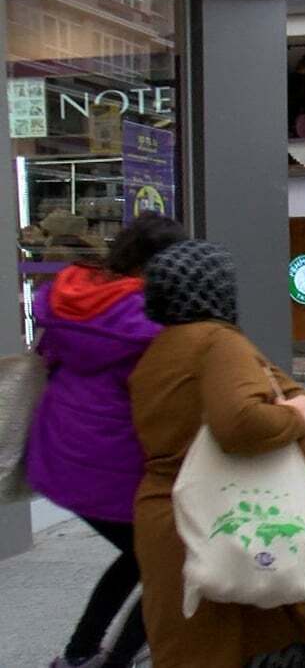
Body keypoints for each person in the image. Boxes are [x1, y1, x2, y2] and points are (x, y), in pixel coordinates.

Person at [128, 241, 305, 667]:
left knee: (189, 649)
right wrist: (299, 415)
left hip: (172, 519)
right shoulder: (217, 342)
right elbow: (239, 422)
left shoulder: (159, 351)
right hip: (231, 523)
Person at [25, 217, 185, 668]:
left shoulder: (74, 294)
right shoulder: (148, 318)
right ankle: (115, 659)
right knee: (170, 563)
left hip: (61, 454)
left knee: (141, 555)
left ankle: (79, 654)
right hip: (110, 464)